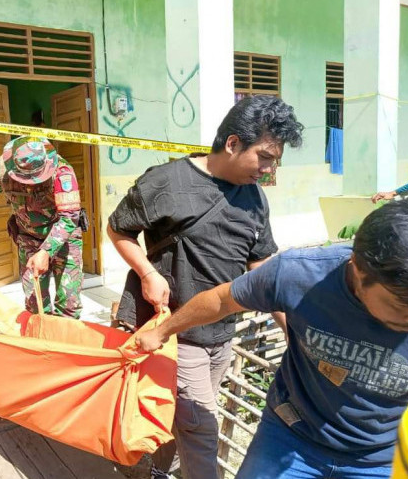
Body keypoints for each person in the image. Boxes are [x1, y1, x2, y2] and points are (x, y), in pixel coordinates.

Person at [136, 198, 408, 479]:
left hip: (382, 458)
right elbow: (222, 300)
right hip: (290, 438)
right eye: (401, 307)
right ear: (357, 269)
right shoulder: (299, 274)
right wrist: (161, 332)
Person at [108, 95, 303, 479]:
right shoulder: (165, 181)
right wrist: (148, 273)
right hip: (174, 335)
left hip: (222, 335)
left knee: (181, 415)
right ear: (232, 144)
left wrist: (290, 326)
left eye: (275, 160)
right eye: (264, 157)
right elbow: (118, 229)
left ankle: (150, 468)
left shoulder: (255, 198)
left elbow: (262, 266)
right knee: (202, 430)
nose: (268, 169)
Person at [0, 136, 84, 318]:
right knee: (34, 303)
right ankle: (39, 342)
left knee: (68, 303)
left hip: (64, 239)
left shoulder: (62, 171)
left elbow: (69, 217)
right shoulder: (1, 169)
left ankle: (64, 343)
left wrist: (46, 251)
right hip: (28, 238)